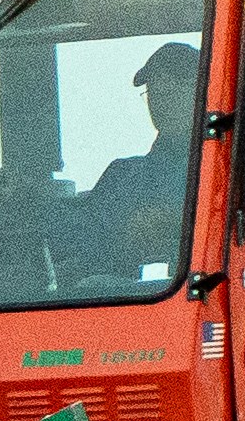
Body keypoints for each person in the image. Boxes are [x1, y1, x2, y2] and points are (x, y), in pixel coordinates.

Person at [78, 39, 209, 275]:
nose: (160, 101)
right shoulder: (120, 176)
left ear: (202, 91)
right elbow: (87, 245)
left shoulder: (227, 170)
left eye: (171, 88)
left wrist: (171, 222)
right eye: (153, 91)